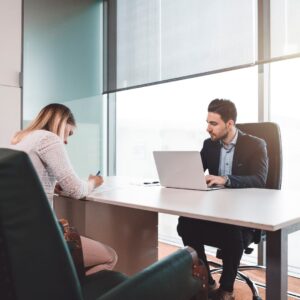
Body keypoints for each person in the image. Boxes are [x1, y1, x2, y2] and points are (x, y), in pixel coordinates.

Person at [10, 103, 117, 276]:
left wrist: (54, 186)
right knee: (110, 256)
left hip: (20, 234)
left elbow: (29, 183)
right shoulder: (48, 139)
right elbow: (77, 190)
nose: (66, 141)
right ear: (60, 123)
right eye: (69, 133)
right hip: (42, 234)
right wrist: (93, 182)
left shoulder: (22, 139)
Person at [177, 99, 268, 300]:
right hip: (216, 210)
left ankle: (226, 289)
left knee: (231, 230)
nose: (208, 128)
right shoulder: (209, 145)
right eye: (207, 122)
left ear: (229, 123)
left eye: (213, 123)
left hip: (243, 215)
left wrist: (225, 179)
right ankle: (207, 281)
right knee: (185, 224)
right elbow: (195, 171)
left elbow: (259, 179)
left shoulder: (255, 145)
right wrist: (181, 176)